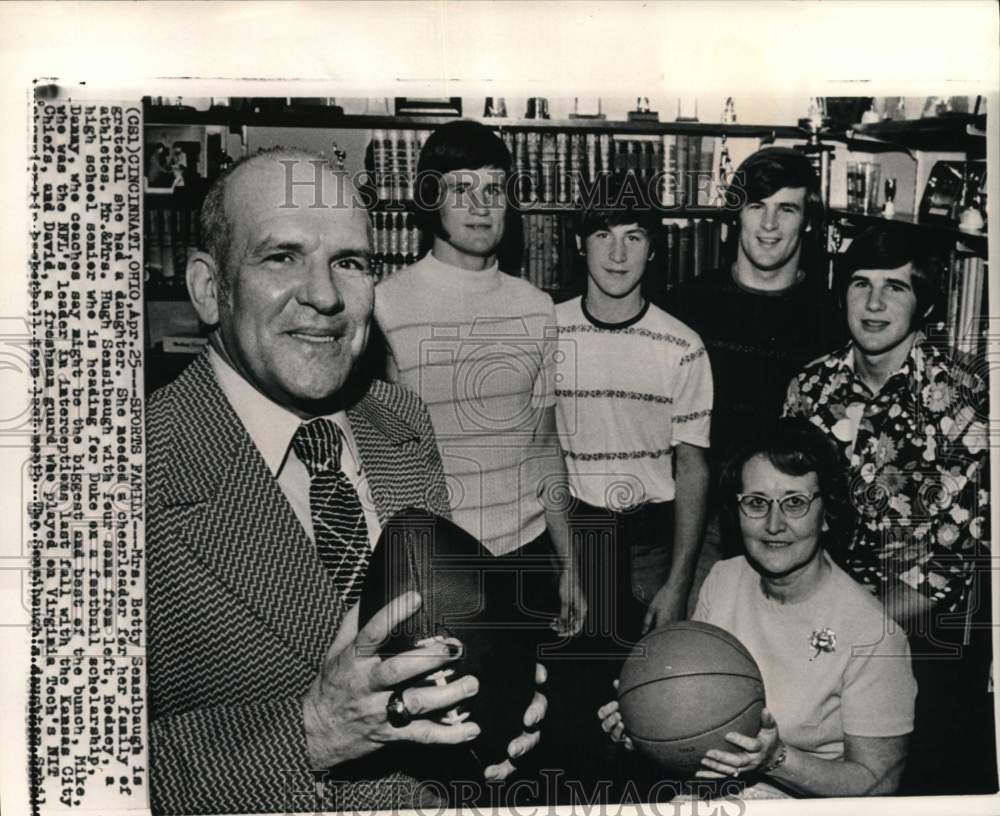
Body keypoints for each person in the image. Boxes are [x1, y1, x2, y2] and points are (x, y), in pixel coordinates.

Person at [146, 148, 544, 815]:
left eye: (350, 262)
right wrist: (312, 734)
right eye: (282, 256)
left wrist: (489, 705)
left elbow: (433, 636)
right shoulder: (111, 480)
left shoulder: (401, 420)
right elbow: (61, 777)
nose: (325, 296)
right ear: (210, 289)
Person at [600, 418, 916, 799]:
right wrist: (649, 723)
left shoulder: (873, 633)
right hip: (714, 794)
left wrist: (778, 759)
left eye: (794, 503)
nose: (773, 524)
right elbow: (699, 726)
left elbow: (879, 782)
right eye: (756, 503)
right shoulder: (723, 579)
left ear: (827, 513)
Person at [782, 226, 993, 794]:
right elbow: (788, 515)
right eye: (861, 284)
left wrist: (843, 632)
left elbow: (948, 565)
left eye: (894, 288)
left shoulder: (967, 397)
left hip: (924, 644)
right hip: (818, 627)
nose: (873, 303)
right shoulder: (810, 389)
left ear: (924, 302)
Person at [375, 120, 585, 635]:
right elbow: (379, 459)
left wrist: (571, 564)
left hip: (528, 555)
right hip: (434, 562)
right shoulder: (384, 305)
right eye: (461, 189)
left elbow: (545, 445)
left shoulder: (536, 307)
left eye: (493, 189)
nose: (481, 205)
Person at [666, 148, 842, 592]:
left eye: (786, 209)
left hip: (793, 530)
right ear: (735, 216)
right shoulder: (687, 305)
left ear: (807, 222)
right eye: (756, 206)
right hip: (698, 529)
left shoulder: (832, 320)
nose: (769, 224)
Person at [555, 202, 712, 641]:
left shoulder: (683, 346)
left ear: (654, 249)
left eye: (634, 237)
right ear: (579, 243)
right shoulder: (549, 331)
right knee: (568, 675)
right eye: (603, 235)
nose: (618, 254)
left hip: (651, 546)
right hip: (572, 536)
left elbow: (693, 468)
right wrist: (566, 562)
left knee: (649, 674)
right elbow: (539, 452)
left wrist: (678, 583)